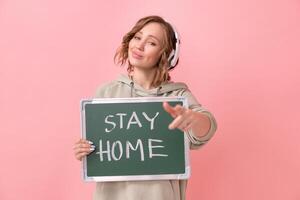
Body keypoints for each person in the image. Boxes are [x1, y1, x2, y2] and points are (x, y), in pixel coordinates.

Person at [73, 15, 217, 200]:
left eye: (151, 43)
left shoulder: (177, 97)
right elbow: (99, 152)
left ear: (167, 55)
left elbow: (206, 128)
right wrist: (84, 150)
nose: (139, 46)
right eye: (138, 37)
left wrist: (194, 119)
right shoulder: (107, 92)